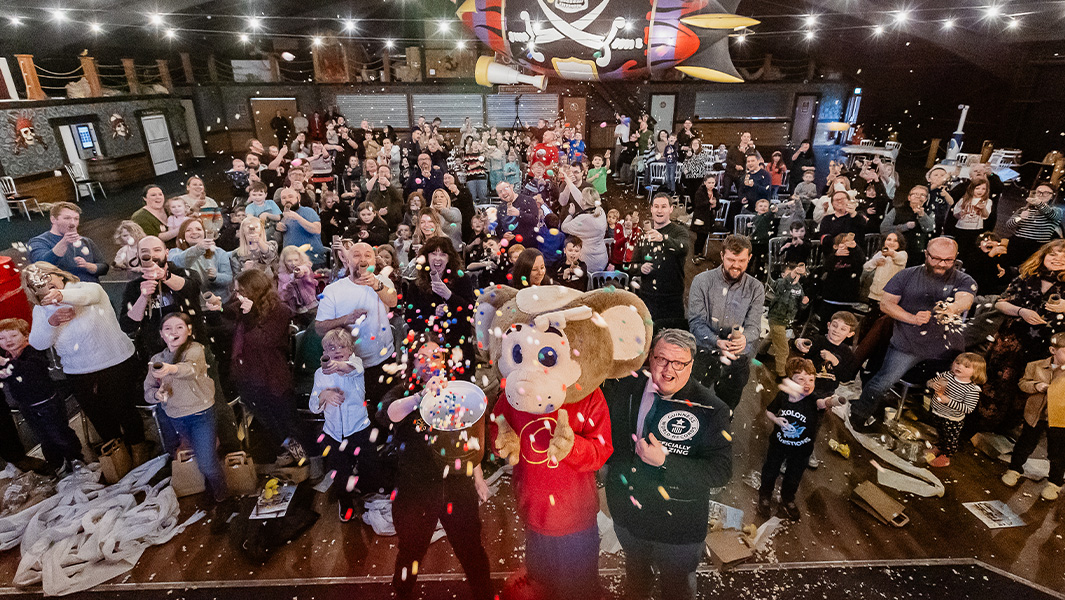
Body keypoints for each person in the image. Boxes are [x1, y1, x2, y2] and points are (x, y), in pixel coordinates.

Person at [602, 329, 732, 600]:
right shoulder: (626, 387)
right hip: (628, 514)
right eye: (661, 359)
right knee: (636, 578)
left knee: (677, 588)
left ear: (691, 364)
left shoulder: (711, 408)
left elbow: (721, 471)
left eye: (679, 363)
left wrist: (665, 463)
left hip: (678, 526)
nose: (668, 370)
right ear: (650, 358)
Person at [382, 335, 492, 600]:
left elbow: (471, 438)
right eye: (422, 358)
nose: (429, 362)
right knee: (411, 550)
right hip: (415, 488)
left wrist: (478, 476)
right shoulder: (402, 390)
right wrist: (421, 396)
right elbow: (389, 413)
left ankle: (485, 594)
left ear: (444, 362)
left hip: (457, 484)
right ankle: (403, 593)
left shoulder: (459, 391)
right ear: (412, 363)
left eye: (436, 356)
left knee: (470, 548)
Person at [22, 262, 149, 463]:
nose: (44, 285)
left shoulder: (87, 288)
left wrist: (62, 296)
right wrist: (51, 323)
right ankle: (117, 452)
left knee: (124, 409)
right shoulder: (41, 310)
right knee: (98, 416)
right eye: (36, 283)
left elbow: (91, 297)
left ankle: (138, 446)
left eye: (47, 278)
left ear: (60, 276)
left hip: (115, 362)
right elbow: (38, 343)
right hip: (78, 371)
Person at [850, 237, 976, 431]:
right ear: (926, 254)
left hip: (946, 349)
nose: (941, 264)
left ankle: (941, 429)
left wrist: (951, 307)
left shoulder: (963, 279)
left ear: (955, 258)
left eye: (948, 260)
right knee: (883, 381)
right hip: (908, 344)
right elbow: (886, 304)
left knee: (953, 390)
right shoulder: (907, 275)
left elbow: (965, 299)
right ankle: (858, 416)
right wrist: (912, 318)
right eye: (935, 259)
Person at [144, 312, 231, 518]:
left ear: (189, 331)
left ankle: (223, 497)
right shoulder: (156, 360)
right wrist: (156, 394)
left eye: (179, 327)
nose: (173, 332)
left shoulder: (195, 350)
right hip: (175, 417)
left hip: (201, 413)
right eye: (168, 329)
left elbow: (189, 370)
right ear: (161, 334)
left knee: (207, 461)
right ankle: (212, 487)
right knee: (198, 454)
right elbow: (147, 392)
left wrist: (169, 369)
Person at [220, 269, 308, 464]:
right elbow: (226, 318)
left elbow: (264, 340)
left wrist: (249, 316)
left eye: (241, 291)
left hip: (272, 374)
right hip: (247, 375)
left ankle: (303, 459)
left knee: (286, 419)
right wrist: (217, 306)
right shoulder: (240, 306)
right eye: (236, 291)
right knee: (266, 419)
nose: (238, 296)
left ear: (255, 290)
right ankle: (286, 450)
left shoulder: (280, 311)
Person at [981, 240, 1065, 430]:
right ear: (1043, 256)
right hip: (1010, 343)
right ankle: (982, 424)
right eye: (1053, 254)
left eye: (1063, 257)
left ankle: (1008, 429)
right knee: (996, 383)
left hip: (1044, 349)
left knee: (1026, 389)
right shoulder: (1026, 277)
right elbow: (1000, 303)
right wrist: (1021, 311)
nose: (1057, 259)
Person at [310, 328, 389, 521]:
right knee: (339, 472)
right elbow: (313, 406)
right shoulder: (319, 374)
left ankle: (371, 495)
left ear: (350, 350)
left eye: (342, 346)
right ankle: (344, 501)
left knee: (369, 465)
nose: (337, 349)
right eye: (331, 347)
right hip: (333, 433)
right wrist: (323, 395)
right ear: (324, 353)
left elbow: (350, 369)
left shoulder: (355, 363)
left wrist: (337, 366)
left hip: (359, 428)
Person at [758, 358, 844, 520]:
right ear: (791, 381)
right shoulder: (783, 396)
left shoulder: (813, 399)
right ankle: (765, 496)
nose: (807, 383)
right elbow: (769, 411)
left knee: (794, 477)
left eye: (811, 379)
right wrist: (776, 420)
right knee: (770, 471)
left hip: (802, 450)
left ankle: (788, 498)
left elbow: (823, 403)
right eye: (801, 379)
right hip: (778, 444)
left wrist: (834, 401)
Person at [688, 234, 764, 411]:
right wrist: (716, 341)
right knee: (696, 399)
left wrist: (745, 338)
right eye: (731, 259)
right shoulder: (701, 281)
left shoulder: (756, 288)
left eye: (741, 260)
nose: (736, 265)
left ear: (749, 258)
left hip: (738, 358)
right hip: (704, 352)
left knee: (728, 404)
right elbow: (695, 322)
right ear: (722, 255)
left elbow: (754, 327)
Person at [315, 242, 398, 403]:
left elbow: (393, 300)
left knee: (383, 410)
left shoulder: (383, 282)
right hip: (347, 365)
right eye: (357, 255)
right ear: (347, 261)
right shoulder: (333, 290)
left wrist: (375, 284)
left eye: (368, 255)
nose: (363, 258)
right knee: (355, 412)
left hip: (382, 360)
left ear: (374, 261)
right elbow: (319, 327)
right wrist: (345, 319)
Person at [0, 318, 83, 476]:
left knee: (60, 434)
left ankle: (76, 459)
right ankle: (56, 465)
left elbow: (31, 370)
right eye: (1, 338)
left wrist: (7, 365)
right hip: (27, 406)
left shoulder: (33, 352)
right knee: (44, 438)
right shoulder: (8, 356)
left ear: (26, 336)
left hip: (47, 403)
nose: (7, 340)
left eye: (13, 335)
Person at [1002, 332, 1065, 501]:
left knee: (1057, 452)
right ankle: (1014, 469)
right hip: (1035, 415)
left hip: (1059, 419)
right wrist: (1037, 386)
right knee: (1025, 444)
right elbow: (1023, 383)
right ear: (1053, 350)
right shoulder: (1035, 366)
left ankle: (1054, 483)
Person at [120, 236, 203, 362]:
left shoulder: (185, 273)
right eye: (145, 251)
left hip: (192, 349)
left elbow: (191, 288)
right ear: (138, 256)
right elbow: (127, 325)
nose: (151, 255)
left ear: (167, 252)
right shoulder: (134, 286)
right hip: (156, 353)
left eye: (157, 250)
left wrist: (165, 276)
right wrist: (143, 297)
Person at [402, 237, 476, 367]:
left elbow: (470, 313)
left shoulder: (462, 279)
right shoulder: (416, 285)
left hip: (458, 346)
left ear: (449, 258)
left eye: (443, 254)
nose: (438, 258)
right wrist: (433, 315)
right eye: (433, 253)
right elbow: (410, 319)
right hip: (429, 350)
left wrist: (449, 296)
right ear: (426, 257)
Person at [629, 194, 690, 326]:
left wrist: (663, 238)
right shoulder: (643, 235)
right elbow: (631, 266)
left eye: (663, 207)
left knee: (672, 340)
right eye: (656, 206)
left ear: (671, 209)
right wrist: (641, 268)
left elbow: (683, 248)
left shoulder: (680, 231)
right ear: (651, 209)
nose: (659, 210)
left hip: (672, 299)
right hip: (648, 297)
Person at [925, 352, 986, 467]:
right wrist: (932, 385)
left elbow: (968, 408)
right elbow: (929, 382)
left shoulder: (972, 389)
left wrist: (948, 401)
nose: (959, 366)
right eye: (957, 363)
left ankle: (946, 456)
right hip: (937, 412)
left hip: (952, 419)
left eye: (966, 366)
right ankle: (939, 447)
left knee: (950, 438)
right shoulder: (946, 375)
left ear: (976, 372)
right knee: (940, 433)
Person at [28, 202, 109, 284]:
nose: (72, 223)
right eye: (67, 218)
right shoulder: (39, 241)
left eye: (76, 219)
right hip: (63, 292)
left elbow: (104, 267)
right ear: (53, 220)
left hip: (91, 289)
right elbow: (41, 264)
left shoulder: (86, 241)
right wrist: (64, 243)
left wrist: (89, 266)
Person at [169, 219, 235, 303]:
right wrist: (197, 249)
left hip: (217, 304)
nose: (194, 232)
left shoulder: (219, 252)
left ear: (204, 233)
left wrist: (216, 277)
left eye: (198, 229)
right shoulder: (175, 252)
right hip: (190, 303)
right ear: (182, 235)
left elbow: (229, 278)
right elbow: (176, 264)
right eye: (188, 230)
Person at [1004, 183, 1063, 269]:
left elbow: (1051, 214)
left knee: (1029, 270)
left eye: (1046, 193)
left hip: (1037, 246)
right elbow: (1009, 225)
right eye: (1038, 192)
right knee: (1010, 268)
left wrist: (1039, 203)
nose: (1041, 195)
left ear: (1052, 196)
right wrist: (1020, 218)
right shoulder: (1023, 209)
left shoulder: (1057, 211)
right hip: (1017, 244)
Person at [767, 262, 809, 378]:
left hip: (787, 320)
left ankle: (761, 353)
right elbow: (784, 285)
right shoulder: (781, 283)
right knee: (783, 349)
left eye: (797, 275)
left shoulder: (799, 288)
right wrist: (792, 274)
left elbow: (800, 305)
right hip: (776, 318)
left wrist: (804, 303)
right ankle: (781, 373)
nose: (795, 277)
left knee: (771, 336)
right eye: (791, 274)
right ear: (783, 275)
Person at [881, 186, 936, 266]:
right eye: (915, 194)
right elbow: (884, 229)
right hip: (896, 250)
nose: (918, 196)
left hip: (918, 252)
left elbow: (929, 228)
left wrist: (922, 215)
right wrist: (904, 227)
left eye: (922, 195)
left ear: (926, 199)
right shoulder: (896, 210)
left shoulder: (929, 213)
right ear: (909, 197)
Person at [560, 187, 609, 273]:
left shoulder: (583, 219)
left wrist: (571, 214)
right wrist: (568, 181)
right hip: (602, 259)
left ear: (584, 201)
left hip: (588, 262)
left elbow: (564, 227)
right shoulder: (601, 211)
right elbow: (580, 198)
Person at [689, 175, 719, 264]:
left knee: (705, 235)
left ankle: (700, 253)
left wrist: (715, 205)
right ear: (705, 182)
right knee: (699, 237)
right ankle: (695, 254)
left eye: (713, 183)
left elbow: (718, 205)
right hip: (700, 216)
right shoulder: (700, 192)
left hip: (709, 218)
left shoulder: (715, 192)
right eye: (709, 183)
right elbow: (698, 204)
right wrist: (708, 202)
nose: (711, 185)